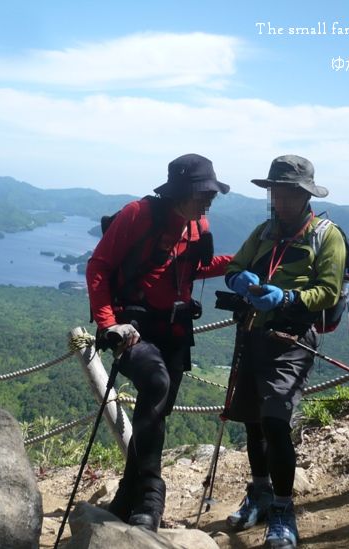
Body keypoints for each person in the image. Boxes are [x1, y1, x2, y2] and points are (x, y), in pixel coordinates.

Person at [86, 153, 232, 532]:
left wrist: (240, 263)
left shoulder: (197, 223)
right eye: (203, 194)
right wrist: (108, 324)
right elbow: (98, 266)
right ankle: (152, 494)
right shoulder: (138, 215)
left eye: (210, 194)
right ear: (182, 192)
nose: (208, 200)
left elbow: (192, 267)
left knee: (155, 413)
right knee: (155, 383)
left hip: (175, 331)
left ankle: (126, 495)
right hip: (131, 328)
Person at [223, 155, 346, 548]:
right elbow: (235, 266)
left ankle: (282, 509)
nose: (282, 199)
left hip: (291, 339)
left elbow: (328, 290)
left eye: (290, 192)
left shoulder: (326, 235)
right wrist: (240, 279)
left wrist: (287, 296)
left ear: (305, 193)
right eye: (277, 190)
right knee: (253, 421)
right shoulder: (263, 232)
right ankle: (259, 492)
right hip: (252, 335)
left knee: (275, 418)